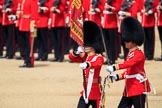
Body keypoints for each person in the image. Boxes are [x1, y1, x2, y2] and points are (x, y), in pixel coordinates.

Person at [106, 16, 151, 108]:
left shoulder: (139, 54)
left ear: (134, 41)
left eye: (127, 41)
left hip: (138, 88)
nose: (125, 42)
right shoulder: (130, 54)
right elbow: (129, 72)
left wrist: (114, 67)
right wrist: (116, 77)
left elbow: (128, 64)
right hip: (129, 89)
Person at [68, 21, 104, 108]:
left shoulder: (98, 57)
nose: (85, 46)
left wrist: (87, 64)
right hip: (85, 92)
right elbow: (71, 58)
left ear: (93, 46)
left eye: (87, 45)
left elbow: (96, 64)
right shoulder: (86, 57)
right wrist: (76, 52)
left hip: (95, 93)